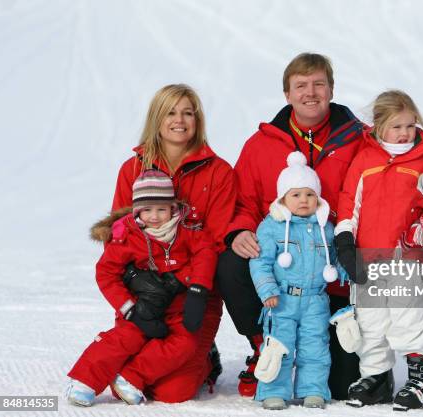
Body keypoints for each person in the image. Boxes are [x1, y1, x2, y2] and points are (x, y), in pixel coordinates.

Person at [216, 53, 365, 399]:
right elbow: (243, 201)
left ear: (331, 89)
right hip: (282, 280)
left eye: (318, 84)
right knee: (232, 260)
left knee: (343, 387)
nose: (310, 93)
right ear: (287, 94)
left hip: (332, 271)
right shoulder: (262, 145)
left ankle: (363, 347)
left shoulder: (358, 138)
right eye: (301, 85)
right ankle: (263, 345)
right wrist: (239, 231)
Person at [335, 89, 423, 411]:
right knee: (371, 323)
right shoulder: (364, 159)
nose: (405, 133)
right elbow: (349, 205)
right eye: (397, 126)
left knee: (407, 319)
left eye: (410, 126)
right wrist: (344, 241)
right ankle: (377, 378)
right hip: (368, 259)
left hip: (407, 259)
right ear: (380, 126)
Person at [109, 84, 236, 402]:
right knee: (120, 375)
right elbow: (119, 233)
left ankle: (205, 359)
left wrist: (186, 285)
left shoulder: (219, 172)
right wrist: (137, 284)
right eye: (171, 112)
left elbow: (217, 241)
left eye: (187, 112)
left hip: (194, 293)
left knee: (172, 392)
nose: (180, 120)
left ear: (198, 120)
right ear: (157, 118)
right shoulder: (133, 169)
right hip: (145, 293)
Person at [66, 170, 218, 406]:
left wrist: (196, 288)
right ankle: (84, 381)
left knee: (185, 343)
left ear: (172, 208)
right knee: (124, 338)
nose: (154, 217)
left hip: (177, 311)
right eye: (147, 210)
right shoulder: (127, 236)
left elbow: (205, 253)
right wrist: (130, 309)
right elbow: (106, 273)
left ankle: (131, 376)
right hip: (141, 308)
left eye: (161, 209)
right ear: (137, 211)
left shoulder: (186, 231)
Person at [249, 152, 348, 410]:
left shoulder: (326, 227)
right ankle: (273, 391)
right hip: (282, 299)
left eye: (309, 194)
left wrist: (346, 269)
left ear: (318, 197)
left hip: (316, 299)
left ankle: (312, 390)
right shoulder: (271, 227)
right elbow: (260, 261)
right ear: (283, 198)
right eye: (296, 195)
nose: (303, 200)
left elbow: (334, 258)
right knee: (279, 346)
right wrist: (267, 289)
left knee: (315, 346)